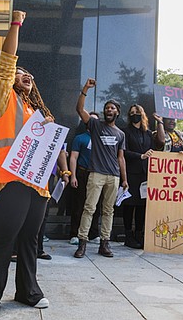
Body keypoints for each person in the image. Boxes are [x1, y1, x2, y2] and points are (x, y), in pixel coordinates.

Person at [0, 11, 52, 316]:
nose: (25, 75)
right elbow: (7, 61)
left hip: (37, 183)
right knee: (5, 236)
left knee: (30, 239)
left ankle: (27, 292)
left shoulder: (38, 109)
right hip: (8, 178)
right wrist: (16, 25)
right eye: (20, 72)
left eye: (29, 75)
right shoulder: (2, 98)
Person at [73, 79, 128, 259]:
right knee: (89, 208)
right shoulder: (96, 125)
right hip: (96, 173)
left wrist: (124, 179)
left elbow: (121, 157)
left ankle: (104, 244)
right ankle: (82, 243)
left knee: (108, 210)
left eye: (112, 108)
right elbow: (80, 110)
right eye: (107, 107)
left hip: (114, 176)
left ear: (117, 112)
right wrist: (85, 89)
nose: (109, 110)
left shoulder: (121, 134)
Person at [122, 104, 160, 249]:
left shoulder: (148, 133)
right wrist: (141, 156)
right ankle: (128, 235)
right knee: (129, 205)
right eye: (132, 113)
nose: (134, 115)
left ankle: (139, 233)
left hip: (145, 175)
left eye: (137, 112)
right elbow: (123, 152)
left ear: (142, 114)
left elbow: (157, 147)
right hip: (131, 173)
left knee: (141, 206)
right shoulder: (125, 132)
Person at [68, 112, 102, 246]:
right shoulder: (79, 138)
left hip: (98, 175)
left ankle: (93, 234)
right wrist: (73, 175)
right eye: (91, 120)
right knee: (79, 205)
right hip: (82, 174)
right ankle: (74, 233)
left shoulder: (101, 138)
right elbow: (73, 158)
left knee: (95, 206)